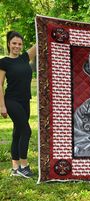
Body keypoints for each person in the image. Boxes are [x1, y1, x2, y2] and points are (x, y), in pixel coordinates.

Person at [0, 31, 36, 178]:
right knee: (26, 131)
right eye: (14, 43)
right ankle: (24, 165)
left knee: (17, 133)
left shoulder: (25, 57)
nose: (17, 46)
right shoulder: (4, 62)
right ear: (9, 43)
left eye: (20, 44)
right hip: (12, 101)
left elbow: (39, 42)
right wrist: (2, 106)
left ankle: (15, 168)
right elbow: (0, 85)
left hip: (25, 101)